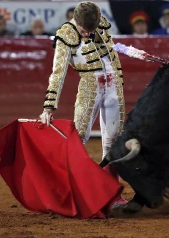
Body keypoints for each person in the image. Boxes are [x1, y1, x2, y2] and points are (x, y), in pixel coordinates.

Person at [38, 1, 127, 210]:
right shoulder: (65, 35)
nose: (87, 34)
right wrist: (49, 106)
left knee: (114, 142)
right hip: (90, 86)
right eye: (83, 30)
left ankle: (111, 194)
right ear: (75, 21)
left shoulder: (101, 25)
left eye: (91, 30)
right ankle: (70, 191)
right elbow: (58, 74)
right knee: (78, 138)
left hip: (115, 86)